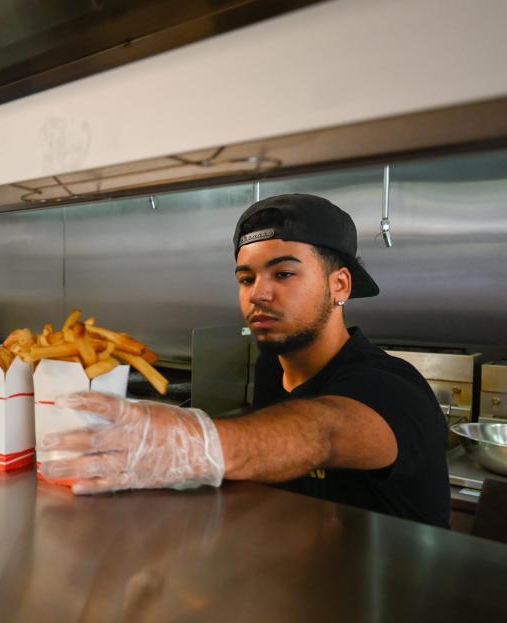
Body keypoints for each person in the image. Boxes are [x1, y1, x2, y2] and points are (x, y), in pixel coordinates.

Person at [40, 194, 450, 528]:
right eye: (246, 278)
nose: (258, 294)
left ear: (339, 283)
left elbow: (323, 431)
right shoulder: (272, 367)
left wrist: (195, 443)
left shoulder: (394, 388)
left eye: (283, 274)